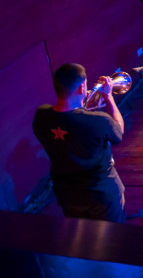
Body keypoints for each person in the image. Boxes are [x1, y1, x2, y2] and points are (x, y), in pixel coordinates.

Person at [32, 63, 125, 222]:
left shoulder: (41, 115)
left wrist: (82, 109)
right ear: (82, 88)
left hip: (67, 195)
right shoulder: (100, 120)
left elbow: (71, 124)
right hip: (101, 193)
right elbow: (118, 132)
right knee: (113, 237)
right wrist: (108, 97)